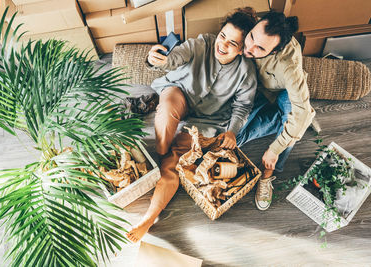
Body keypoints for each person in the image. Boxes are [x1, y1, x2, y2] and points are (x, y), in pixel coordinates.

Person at [126, 8, 258, 243]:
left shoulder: (246, 73)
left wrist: (232, 131)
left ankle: (149, 216)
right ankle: (160, 151)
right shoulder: (203, 43)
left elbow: (243, 107)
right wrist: (162, 60)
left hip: (208, 120)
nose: (223, 45)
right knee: (166, 111)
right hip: (181, 93)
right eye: (222, 36)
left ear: (242, 49)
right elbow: (177, 57)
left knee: (174, 166)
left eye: (232, 43)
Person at [235, 11, 316, 211]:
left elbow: (300, 111)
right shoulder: (248, 32)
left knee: (297, 120)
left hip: (283, 94)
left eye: (260, 48)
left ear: (275, 50)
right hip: (255, 91)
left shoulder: (289, 66)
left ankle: (268, 173)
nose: (249, 48)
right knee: (235, 138)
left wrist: (275, 149)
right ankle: (284, 123)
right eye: (252, 37)